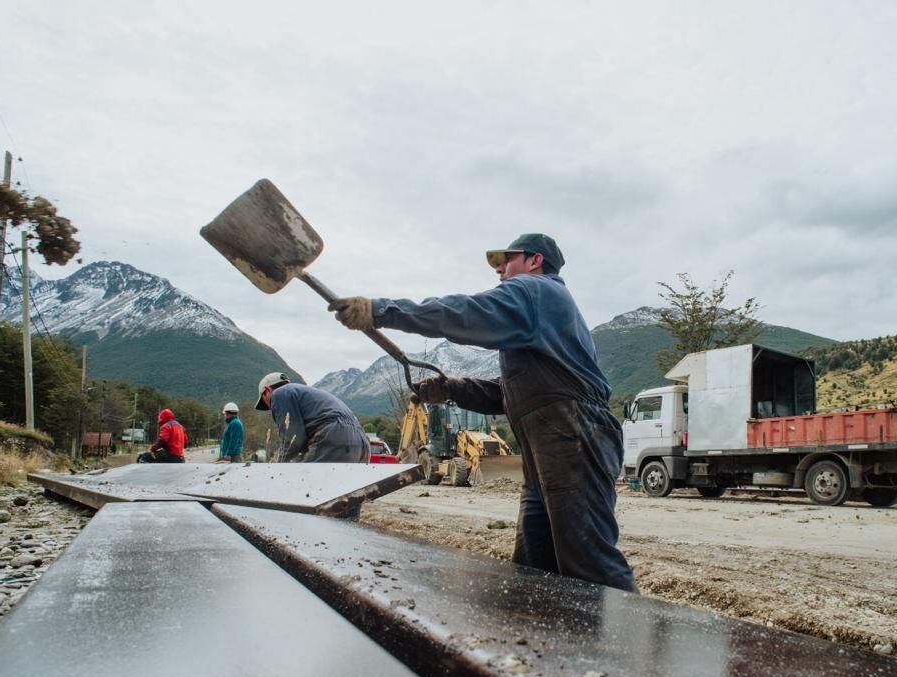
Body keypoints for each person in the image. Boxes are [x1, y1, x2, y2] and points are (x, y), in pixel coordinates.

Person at [328, 233, 635, 592]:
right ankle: (544, 643)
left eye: (508, 260)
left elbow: (465, 313)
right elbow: (515, 395)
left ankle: (623, 641)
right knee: (534, 563)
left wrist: (382, 311)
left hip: (575, 437)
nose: (501, 270)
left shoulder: (538, 291)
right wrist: (452, 388)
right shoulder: (538, 316)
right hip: (555, 444)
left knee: (589, 560)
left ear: (535, 261)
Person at [254, 372, 369, 463]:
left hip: (334, 435)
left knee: (306, 485)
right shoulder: (305, 393)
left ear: (268, 390)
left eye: (266, 403)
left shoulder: (279, 394)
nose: (270, 408)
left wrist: (278, 466)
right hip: (361, 442)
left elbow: (293, 440)